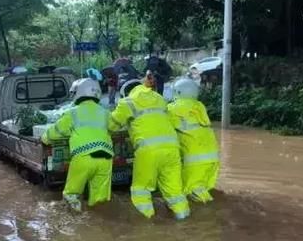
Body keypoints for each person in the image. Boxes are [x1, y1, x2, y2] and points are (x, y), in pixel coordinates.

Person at [109, 75, 190, 220]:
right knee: (175, 192)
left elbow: (112, 125)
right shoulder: (159, 98)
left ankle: (147, 225)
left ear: (125, 92)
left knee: (141, 190)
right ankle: (183, 219)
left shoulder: (127, 102)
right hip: (172, 149)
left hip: (148, 151)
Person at [41, 78, 114, 212]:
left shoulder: (73, 113)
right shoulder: (105, 112)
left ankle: (76, 224)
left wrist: (44, 138)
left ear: (78, 93)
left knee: (72, 195)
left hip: (83, 157)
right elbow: (115, 127)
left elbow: (56, 131)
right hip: (106, 158)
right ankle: (100, 223)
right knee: (100, 199)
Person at [167, 77, 220, 202]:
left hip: (195, 161)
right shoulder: (199, 107)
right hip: (212, 159)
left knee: (195, 196)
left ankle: (209, 218)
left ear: (178, 92)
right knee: (203, 192)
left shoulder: (172, 109)